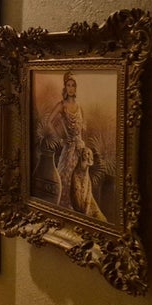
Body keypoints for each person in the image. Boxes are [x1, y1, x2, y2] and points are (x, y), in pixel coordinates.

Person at [45, 71, 105, 220]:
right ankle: (65, 212)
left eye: (73, 85)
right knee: (66, 178)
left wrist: (83, 148)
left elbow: (82, 132)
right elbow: (49, 122)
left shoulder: (79, 107)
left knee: (81, 181)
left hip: (80, 149)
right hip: (69, 150)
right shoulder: (62, 105)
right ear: (65, 87)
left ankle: (81, 209)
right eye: (68, 85)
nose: (71, 88)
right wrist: (61, 138)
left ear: (76, 88)